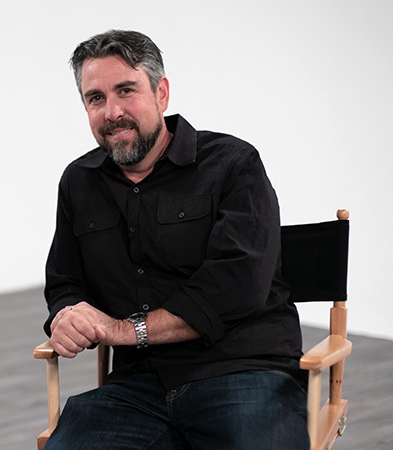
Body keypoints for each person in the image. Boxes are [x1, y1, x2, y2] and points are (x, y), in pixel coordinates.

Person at [42, 30, 309, 449]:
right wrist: (67, 315)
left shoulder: (233, 164)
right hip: (136, 386)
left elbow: (237, 286)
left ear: (161, 93)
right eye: (95, 98)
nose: (112, 112)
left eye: (126, 90)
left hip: (243, 372)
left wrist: (123, 330)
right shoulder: (79, 182)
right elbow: (65, 281)